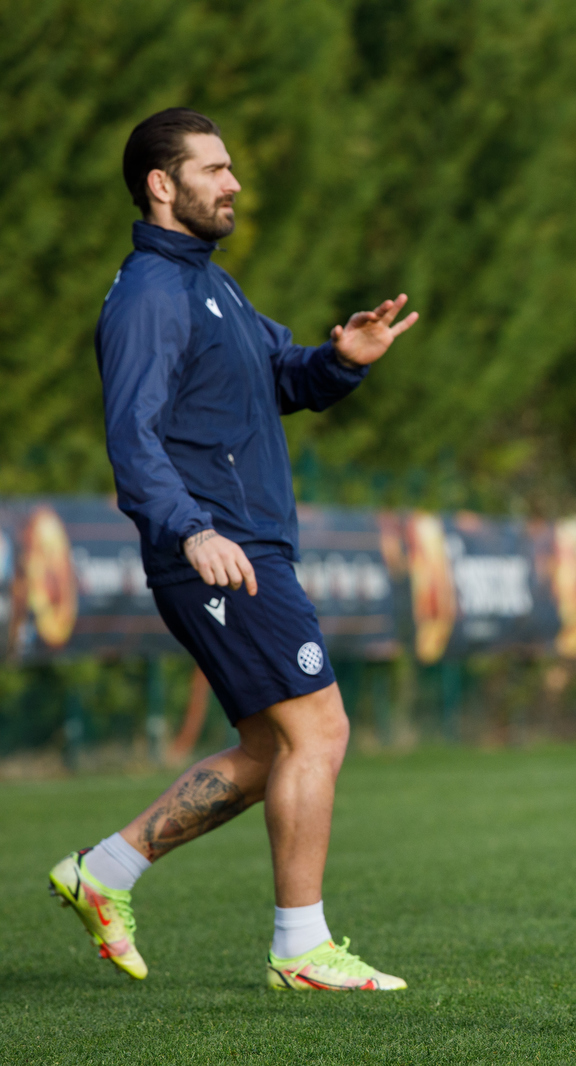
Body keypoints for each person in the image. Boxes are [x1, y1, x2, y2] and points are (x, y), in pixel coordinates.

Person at [48, 108, 416, 991]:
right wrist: (193, 529)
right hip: (218, 550)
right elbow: (132, 440)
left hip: (242, 547)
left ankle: (106, 873)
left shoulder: (210, 284)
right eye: (213, 169)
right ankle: (301, 948)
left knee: (270, 750)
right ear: (161, 186)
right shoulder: (149, 294)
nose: (234, 182)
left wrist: (343, 359)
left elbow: (282, 374)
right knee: (320, 729)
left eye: (231, 168)